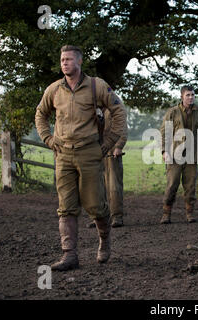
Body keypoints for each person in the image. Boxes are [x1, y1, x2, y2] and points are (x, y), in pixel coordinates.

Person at [35, 45, 126, 271]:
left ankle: (104, 241)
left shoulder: (96, 86)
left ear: (79, 62)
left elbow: (118, 111)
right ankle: (69, 255)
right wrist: (48, 138)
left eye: (68, 59)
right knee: (65, 207)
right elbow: (40, 114)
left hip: (89, 152)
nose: (64, 63)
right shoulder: (54, 90)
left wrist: (109, 141)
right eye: (62, 59)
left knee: (95, 205)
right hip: (63, 154)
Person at [159, 85, 198, 224]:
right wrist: (164, 151)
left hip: (192, 155)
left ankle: (189, 213)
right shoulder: (172, 112)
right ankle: (166, 214)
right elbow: (165, 133)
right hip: (175, 155)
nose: (191, 97)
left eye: (192, 95)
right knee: (172, 184)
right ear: (182, 96)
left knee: (190, 185)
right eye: (188, 95)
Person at [87, 108, 128, 229]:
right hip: (95, 149)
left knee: (114, 185)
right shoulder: (90, 106)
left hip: (112, 149)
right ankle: (98, 217)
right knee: (96, 185)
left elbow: (122, 127)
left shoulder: (115, 108)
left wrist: (119, 146)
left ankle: (116, 216)